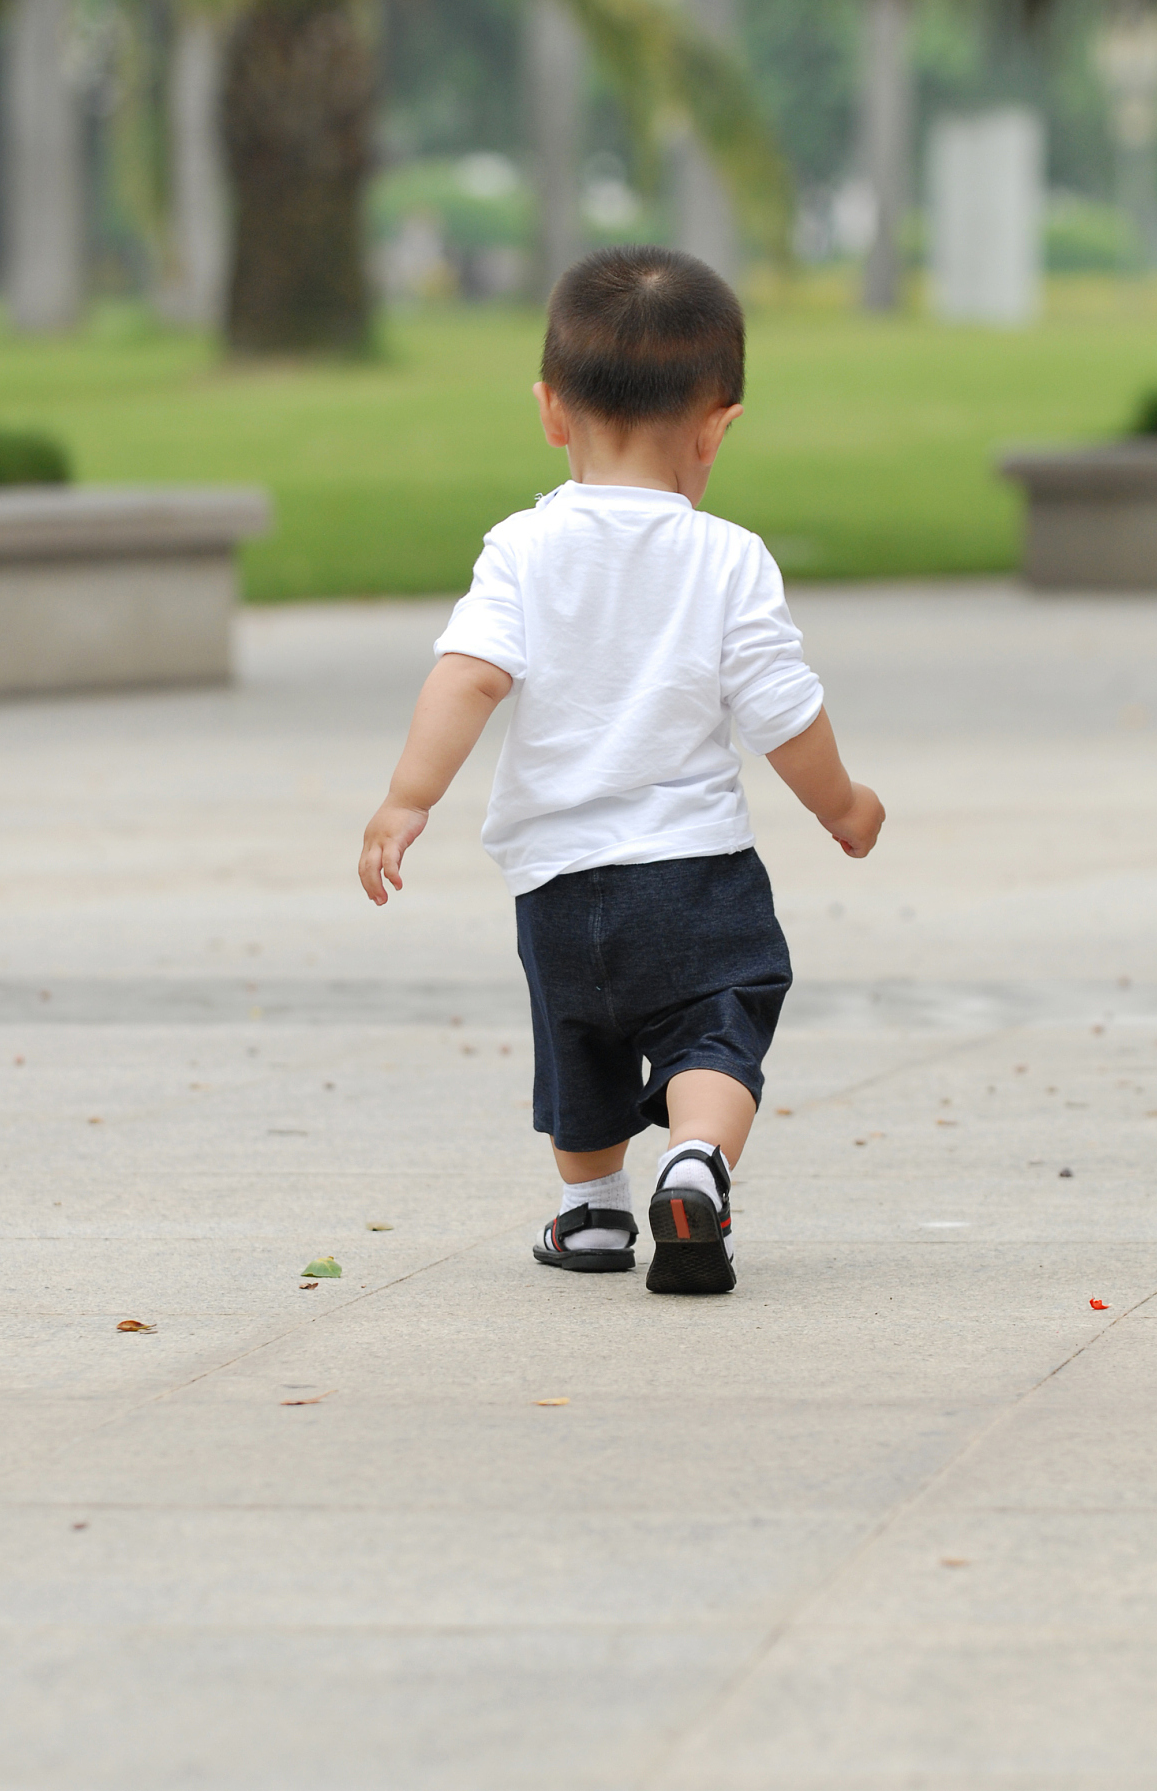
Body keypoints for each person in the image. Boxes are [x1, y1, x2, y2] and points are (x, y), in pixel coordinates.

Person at [359, 245, 883, 1296]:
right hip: (693, 875)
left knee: (580, 1045)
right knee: (715, 1028)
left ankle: (592, 1214)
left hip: (555, 881)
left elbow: (466, 678)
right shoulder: (728, 558)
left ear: (550, 411)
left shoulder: (519, 548)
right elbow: (783, 709)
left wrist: (408, 798)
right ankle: (695, 1159)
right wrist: (844, 805)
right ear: (716, 425)